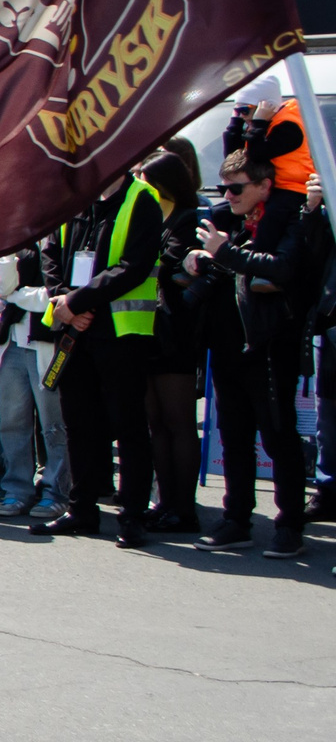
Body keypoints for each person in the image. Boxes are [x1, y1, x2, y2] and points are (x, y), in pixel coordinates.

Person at [184, 149, 317, 556]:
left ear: (264, 186)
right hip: (227, 345)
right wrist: (196, 259)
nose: (228, 195)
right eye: (224, 187)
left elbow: (282, 267)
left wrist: (224, 252)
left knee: (278, 438)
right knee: (234, 437)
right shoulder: (229, 219)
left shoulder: (288, 219)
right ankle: (236, 520)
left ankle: (289, 524)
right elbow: (212, 256)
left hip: (270, 345)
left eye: (237, 188)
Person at [33, 166, 164, 547]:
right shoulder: (73, 195)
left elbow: (134, 266)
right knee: (79, 423)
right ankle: (82, 509)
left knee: (128, 425)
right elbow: (50, 252)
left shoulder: (142, 198)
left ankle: (133, 515)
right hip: (74, 330)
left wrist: (78, 301)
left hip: (119, 333)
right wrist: (61, 300)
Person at [140, 150, 208, 532]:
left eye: (145, 180)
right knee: (157, 423)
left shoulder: (187, 220)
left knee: (179, 421)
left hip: (176, 334)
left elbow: (169, 267)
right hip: (149, 331)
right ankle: (165, 502)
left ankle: (184, 509)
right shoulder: (158, 220)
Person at [0, 232, 73, 519]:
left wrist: (14, 297)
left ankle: (57, 491)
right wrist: (8, 250)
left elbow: (54, 295)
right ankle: (16, 488)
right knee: (12, 422)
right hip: (12, 343)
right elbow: (0, 285)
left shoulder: (60, 235)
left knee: (54, 425)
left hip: (47, 344)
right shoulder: (18, 236)